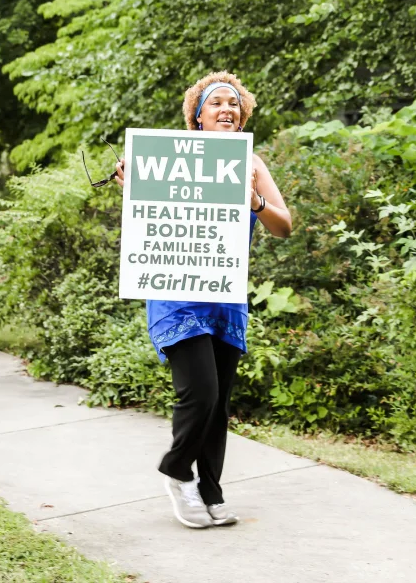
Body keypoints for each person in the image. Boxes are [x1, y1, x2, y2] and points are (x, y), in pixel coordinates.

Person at [113, 72, 292, 529]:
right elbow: (148, 216)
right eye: (216, 103)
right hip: (176, 296)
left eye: (234, 103)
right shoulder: (168, 157)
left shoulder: (252, 163)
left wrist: (253, 199)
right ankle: (177, 472)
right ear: (197, 115)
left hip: (224, 298)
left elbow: (283, 225)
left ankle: (210, 490)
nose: (227, 109)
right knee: (201, 393)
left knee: (220, 402)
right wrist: (130, 185)